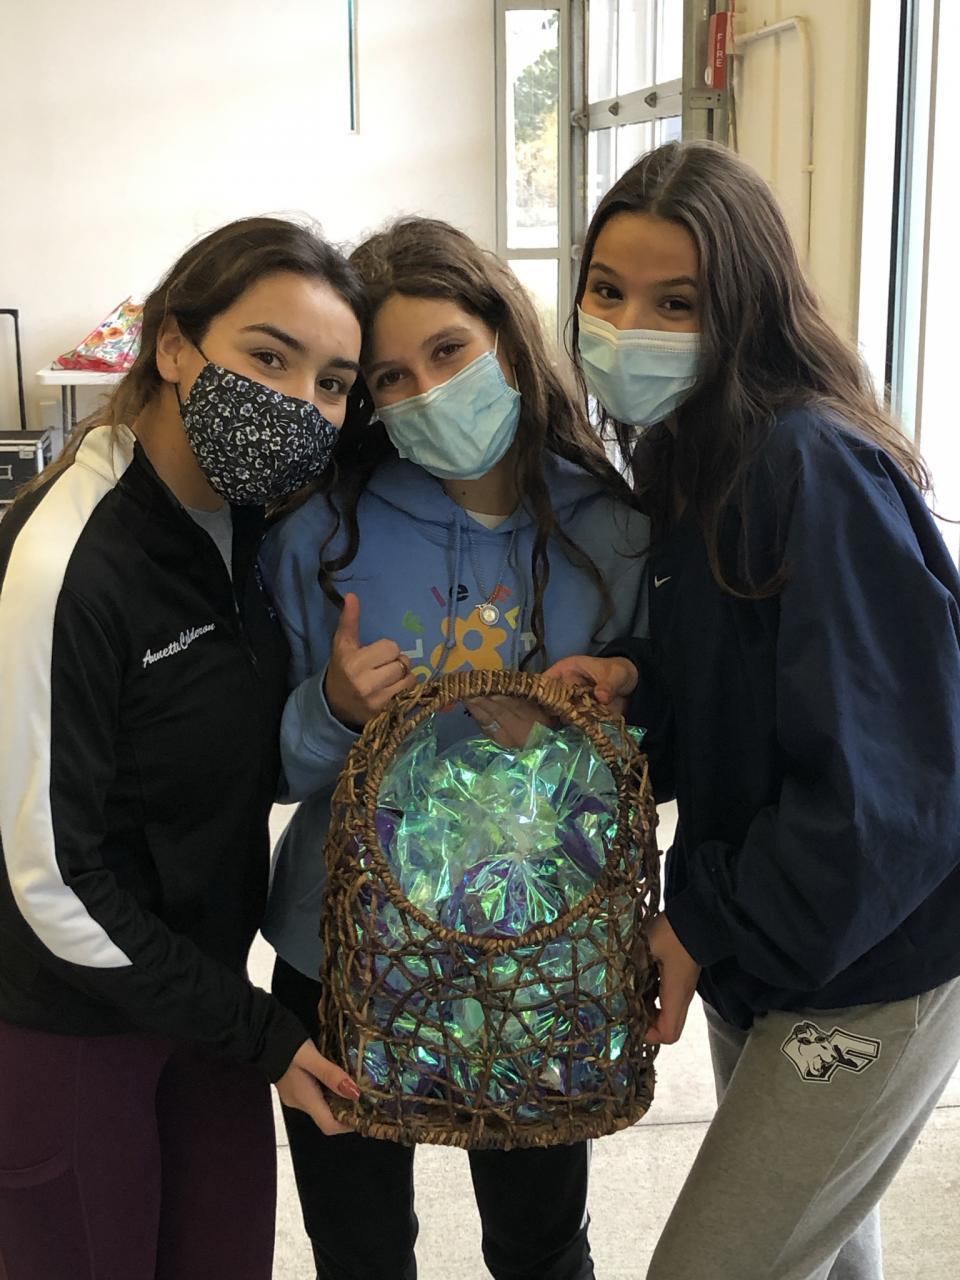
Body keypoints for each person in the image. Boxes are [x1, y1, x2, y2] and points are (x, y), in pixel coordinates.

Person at [545, 140, 960, 1280]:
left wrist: (699, 924)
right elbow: (755, 685)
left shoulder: (810, 464)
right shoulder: (694, 455)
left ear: (746, 307)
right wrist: (639, 681)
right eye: (608, 291)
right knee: (818, 1251)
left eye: (676, 302)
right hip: (775, 942)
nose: (629, 327)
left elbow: (889, 791)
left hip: (868, 965)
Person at [259, 216, 650, 1280]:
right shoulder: (320, 535)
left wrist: (594, 725)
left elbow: (653, 754)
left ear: (508, 340)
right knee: (358, 1248)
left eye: (449, 351)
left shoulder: (613, 530)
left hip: (538, 958)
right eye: (391, 376)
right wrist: (334, 707)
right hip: (342, 951)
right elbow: (266, 775)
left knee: (541, 1244)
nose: (427, 392)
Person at [0, 216, 366, 1280]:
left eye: (333, 382)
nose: (299, 402)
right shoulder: (65, 561)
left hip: (202, 997)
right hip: (72, 1022)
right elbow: (50, 878)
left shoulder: (252, 525)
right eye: (268, 357)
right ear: (171, 345)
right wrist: (257, 1033)